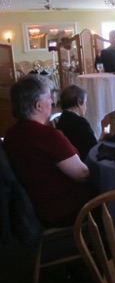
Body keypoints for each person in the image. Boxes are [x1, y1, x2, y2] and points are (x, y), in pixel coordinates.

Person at [3, 75, 93, 228]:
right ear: (38, 106)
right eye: (49, 97)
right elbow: (82, 175)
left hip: (32, 208)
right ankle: (113, 247)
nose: (52, 101)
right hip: (62, 209)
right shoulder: (47, 136)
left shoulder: (11, 134)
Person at [56, 85, 98, 161]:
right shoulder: (80, 123)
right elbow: (94, 149)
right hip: (84, 163)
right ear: (79, 102)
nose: (86, 107)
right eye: (85, 103)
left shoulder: (62, 119)